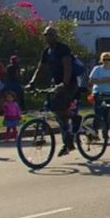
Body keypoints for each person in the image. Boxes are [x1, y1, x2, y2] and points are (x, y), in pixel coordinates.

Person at [26, 26, 85, 156]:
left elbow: (67, 66)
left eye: (50, 35)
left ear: (55, 36)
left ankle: (76, 118)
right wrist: (32, 82)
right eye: (46, 35)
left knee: (59, 108)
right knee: (56, 112)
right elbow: (40, 68)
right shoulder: (47, 52)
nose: (48, 37)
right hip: (57, 83)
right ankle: (68, 142)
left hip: (69, 83)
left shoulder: (62, 48)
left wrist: (64, 84)